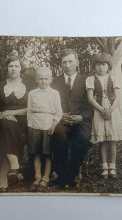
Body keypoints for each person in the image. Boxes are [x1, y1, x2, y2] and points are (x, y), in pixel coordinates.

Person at [51, 48, 93, 188]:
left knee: (82, 138)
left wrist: (81, 117)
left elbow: (90, 104)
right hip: (61, 119)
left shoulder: (86, 81)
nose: (67, 65)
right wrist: (60, 115)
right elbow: (51, 102)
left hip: (81, 120)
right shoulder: (55, 82)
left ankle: (71, 174)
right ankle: (63, 174)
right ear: (61, 64)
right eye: (64, 62)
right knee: (58, 135)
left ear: (77, 62)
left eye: (70, 61)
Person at [0, 56, 33, 192]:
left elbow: (32, 107)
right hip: (2, 121)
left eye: (16, 66)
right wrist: (3, 114)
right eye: (10, 66)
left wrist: (12, 113)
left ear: (21, 68)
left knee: (7, 128)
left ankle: (3, 177)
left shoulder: (29, 84)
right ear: (6, 68)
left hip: (23, 121)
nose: (13, 69)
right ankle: (14, 166)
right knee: (5, 125)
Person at [86, 52, 122, 179]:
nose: (101, 67)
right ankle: (104, 166)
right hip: (98, 110)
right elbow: (90, 98)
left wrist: (110, 110)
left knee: (112, 140)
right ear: (94, 67)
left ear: (108, 66)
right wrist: (102, 110)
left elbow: (118, 97)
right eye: (98, 65)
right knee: (102, 141)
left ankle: (112, 167)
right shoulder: (90, 79)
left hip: (112, 110)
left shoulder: (114, 78)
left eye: (103, 65)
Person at [27, 67, 63, 190]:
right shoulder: (32, 94)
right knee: (36, 153)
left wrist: (54, 125)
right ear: (36, 79)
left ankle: (45, 177)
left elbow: (59, 112)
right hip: (34, 125)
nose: (43, 81)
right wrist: (30, 126)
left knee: (47, 154)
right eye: (40, 78)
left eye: (46, 79)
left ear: (51, 79)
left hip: (48, 126)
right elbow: (29, 112)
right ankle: (37, 177)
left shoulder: (54, 94)